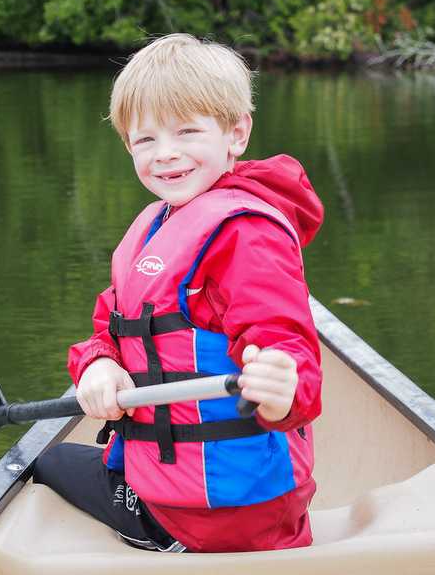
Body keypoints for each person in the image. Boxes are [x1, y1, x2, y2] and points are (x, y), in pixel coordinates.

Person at [33, 33, 324, 553]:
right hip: (201, 496)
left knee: (48, 462)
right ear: (127, 145)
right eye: (146, 140)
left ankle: (156, 534)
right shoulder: (162, 224)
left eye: (186, 132)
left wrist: (283, 387)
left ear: (236, 133)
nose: (166, 155)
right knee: (60, 460)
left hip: (223, 515)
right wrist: (97, 364)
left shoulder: (246, 235)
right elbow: (110, 325)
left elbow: (286, 345)